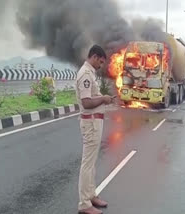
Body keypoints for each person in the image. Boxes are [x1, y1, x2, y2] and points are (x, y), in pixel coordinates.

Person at [76, 45, 115, 214]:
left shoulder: (90, 73)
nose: (101, 65)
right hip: (90, 123)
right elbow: (86, 102)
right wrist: (104, 99)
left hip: (95, 123)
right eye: (100, 61)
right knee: (87, 164)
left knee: (92, 164)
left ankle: (91, 195)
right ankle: (84, 204)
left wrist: (102, 98)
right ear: (94, 56)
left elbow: (92, 97)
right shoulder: (85, 74)